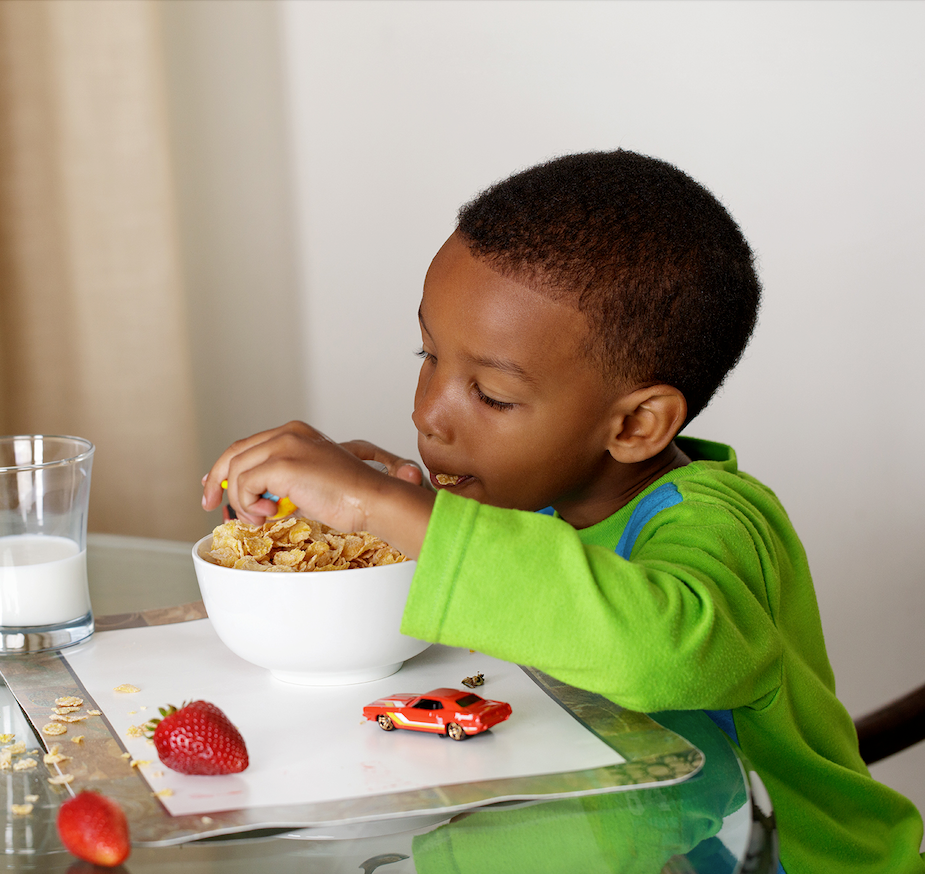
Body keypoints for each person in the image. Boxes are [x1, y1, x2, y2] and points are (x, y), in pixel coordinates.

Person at [202, 150, 925, 874]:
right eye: (425, 354)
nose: (427, 414)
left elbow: (659, 654)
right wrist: (380, 520)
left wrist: (382, 504)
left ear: (637, 426)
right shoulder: (531, 498)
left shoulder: (718, 522)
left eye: (491, 395)